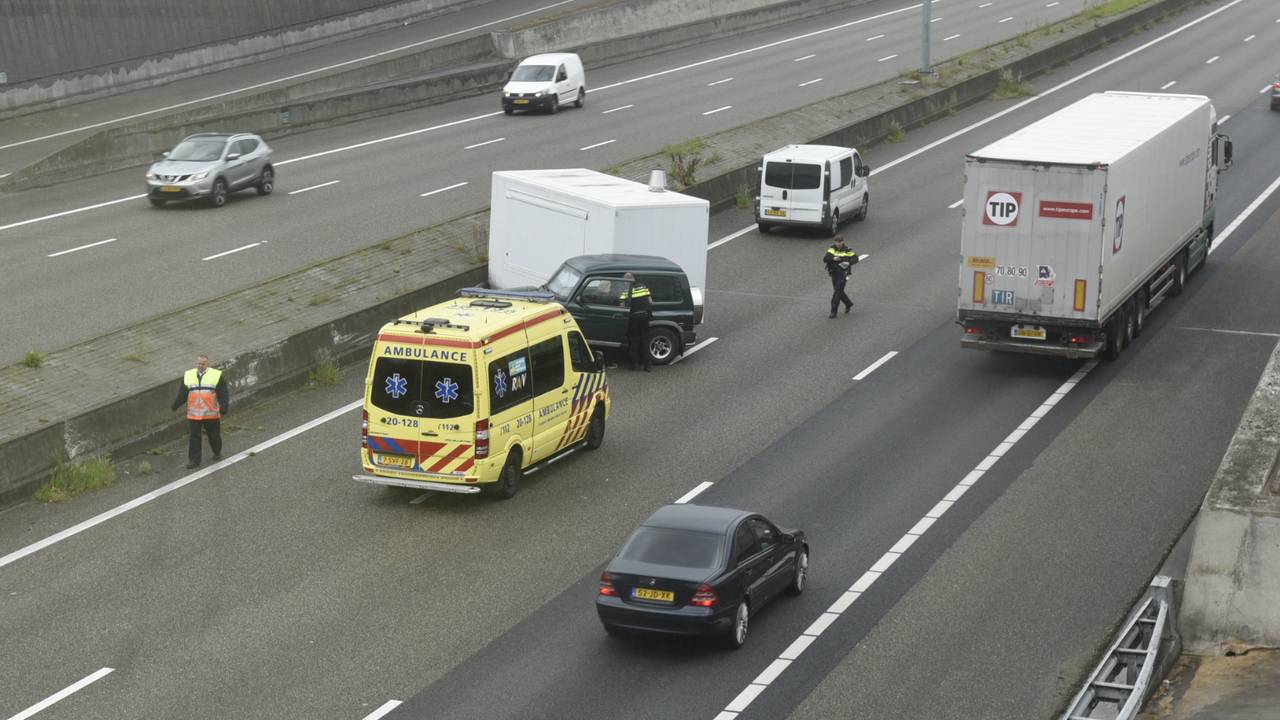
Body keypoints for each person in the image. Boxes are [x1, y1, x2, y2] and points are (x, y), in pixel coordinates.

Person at [171, 354, 229, 468]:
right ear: (196, 363)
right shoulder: (188, 375)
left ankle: (217, 452)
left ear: (208, 364)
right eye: (199, 363)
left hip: (210, 413)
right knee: (194, 438)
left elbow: (223, 393)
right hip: (194, 414)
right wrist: (175, 405)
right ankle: (194, 460)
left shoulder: (216, 375)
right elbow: (183, 393)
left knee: (214, 436)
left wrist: (224, 406)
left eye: (203, 363)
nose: (200, 365)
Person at [620, 272, 653, 371]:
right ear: (634, 279)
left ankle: (634, 365)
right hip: (644, 316)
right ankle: (648, 366)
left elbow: (622, 306)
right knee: (645, 340)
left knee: (633, 341)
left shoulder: (626, 291)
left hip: (633, 318)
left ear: (626, 281)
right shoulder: (643, 288)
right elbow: (651, 301)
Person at [823, 234, 858, 318]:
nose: (838, 244)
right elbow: (825, 259)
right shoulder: (832, 249)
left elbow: (856, 259)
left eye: (840, 242)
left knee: (837, 292)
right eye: (836, 242)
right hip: (834, 273)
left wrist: (848, 263)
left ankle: (833, 311)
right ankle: (848, 303)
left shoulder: (847, 250)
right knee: (838, 291)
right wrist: (833, 259)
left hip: (843, 273)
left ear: (843, 242)